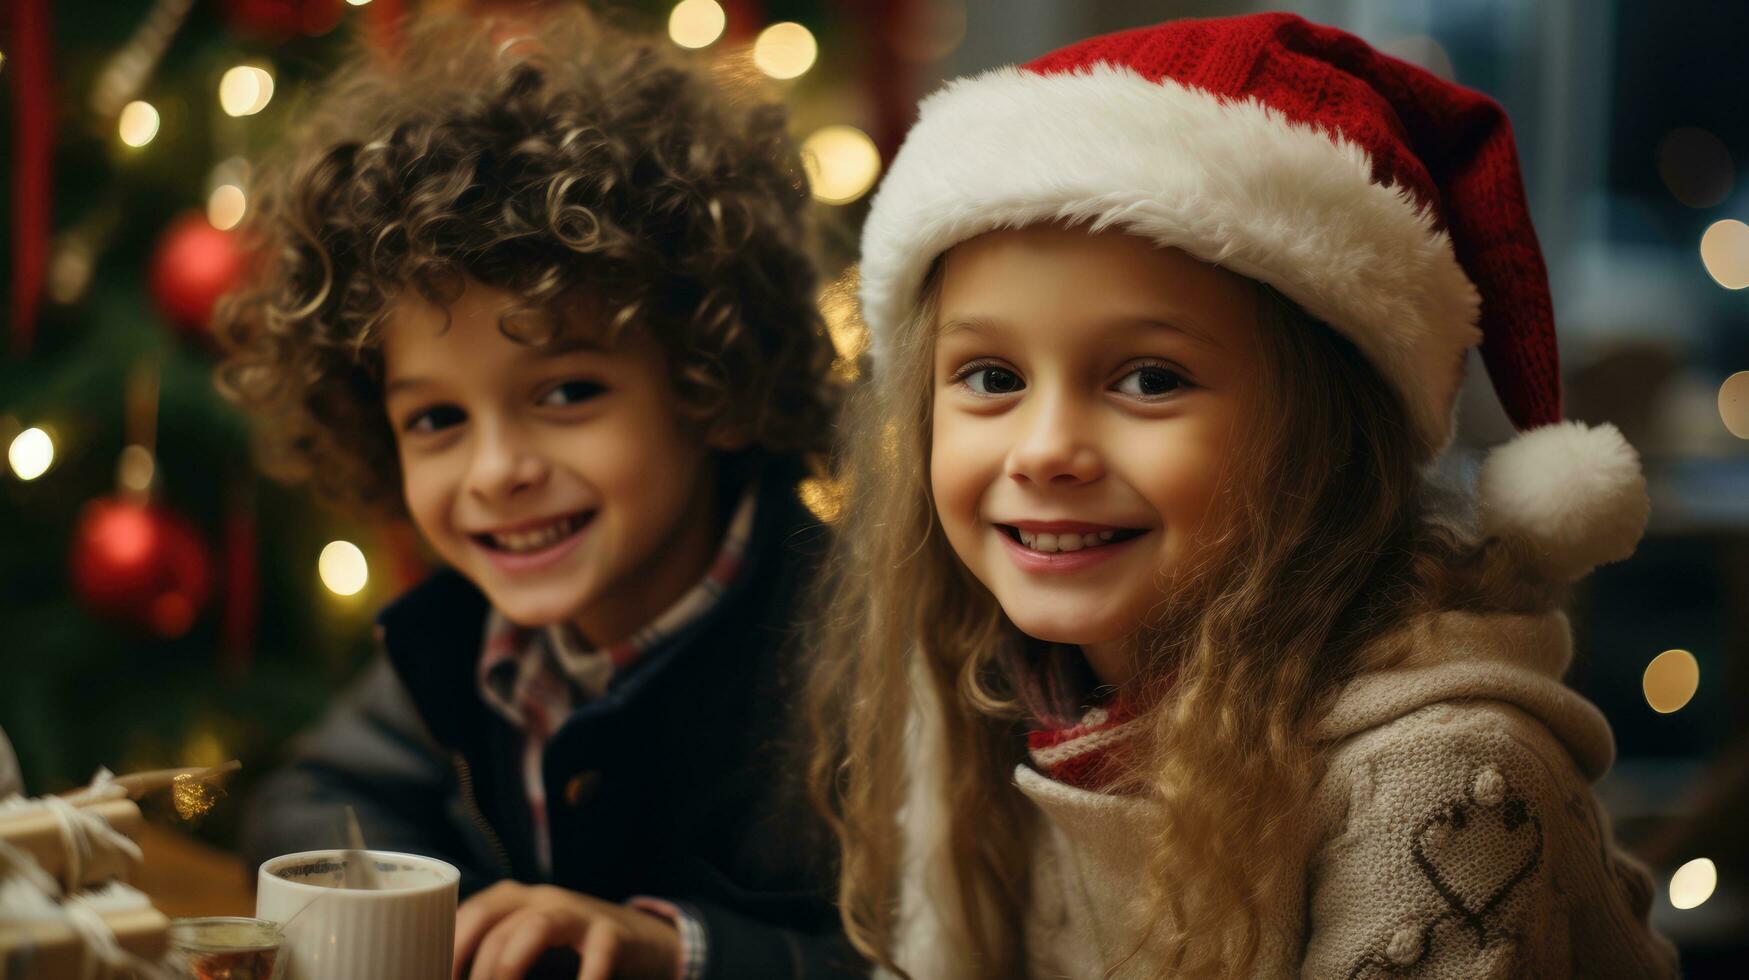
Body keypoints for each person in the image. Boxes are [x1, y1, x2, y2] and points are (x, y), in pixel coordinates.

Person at [808, 13, 1680, 978]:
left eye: (1148, 379)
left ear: (1326, 436)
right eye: (990, 377)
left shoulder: (1442, 777)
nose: (1045, 450)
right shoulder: (998, 694)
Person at [218, 9, 857, 978]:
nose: (494, 470)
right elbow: (307, 798)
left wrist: (679, 951)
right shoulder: (482, 645)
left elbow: (947, 950)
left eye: (567, 392)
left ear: (711, 385)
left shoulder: (860, 652)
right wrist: (472, 916)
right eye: (437, 419)